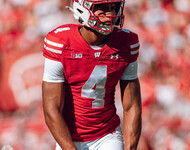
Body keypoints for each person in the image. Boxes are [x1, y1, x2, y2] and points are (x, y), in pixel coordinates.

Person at [42, 0, 142, 149]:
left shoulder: (126, 43)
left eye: (113, 8)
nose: (110, 15)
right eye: (101, 9)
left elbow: (131, 105)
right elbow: (51, 110)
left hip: (107, 135)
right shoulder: (61, 43)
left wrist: (130, 148)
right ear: (82, 9)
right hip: (68, 136)